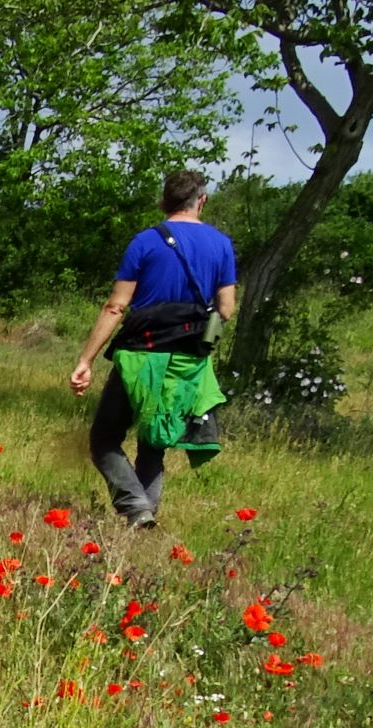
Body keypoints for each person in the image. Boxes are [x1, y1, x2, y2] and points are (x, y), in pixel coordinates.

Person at [70, 170, 239, 528]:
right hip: (189, 359)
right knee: (154, 441)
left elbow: (116, 306)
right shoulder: (222, 244)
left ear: (164, 202)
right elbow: (226, 309)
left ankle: (136, 508)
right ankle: (143, 517)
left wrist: (86, 360)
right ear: (201, 201)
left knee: (104, 439)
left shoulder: (146, 242)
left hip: (141, 356)